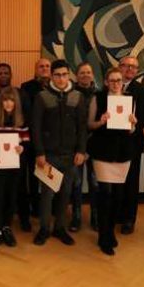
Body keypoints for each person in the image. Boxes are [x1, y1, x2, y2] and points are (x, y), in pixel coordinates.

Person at [31, 59, 88, 246]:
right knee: (47, 195)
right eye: (57, 75)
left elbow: (82, 127)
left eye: (64, 74)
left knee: (65, 194)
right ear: (51, 76)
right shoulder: (42, 97)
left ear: (68, 75)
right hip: (48, 156)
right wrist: (39, 152)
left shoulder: (77, 97)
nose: (61, 78)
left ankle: (60, 228)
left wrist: (81, 150)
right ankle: (44, 229)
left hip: (71, 156)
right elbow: (36, 127)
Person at [86, 67, 137, 256]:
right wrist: (101, 121)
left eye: (119, 80)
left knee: (118, 196)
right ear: (106, 82)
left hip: (123, 151)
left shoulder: (129, 99)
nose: (116, 83)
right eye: (112, 80)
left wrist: (133, 124)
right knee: (105, 194)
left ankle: (110, 231)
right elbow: (89, 125)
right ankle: (103, 235)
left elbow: (131, 130)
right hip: (102, 151)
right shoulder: (97, 98)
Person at [0, 87, 30, 250]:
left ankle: (6, 227)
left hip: (15, 167)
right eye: (5, 100)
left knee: (11, 197)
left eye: (11, 100)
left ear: (16, 102)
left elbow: (26, 143)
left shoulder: (22, 121)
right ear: (1, 103)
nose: (8, 103)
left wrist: (22, 149)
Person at [118, 55, 144, 234]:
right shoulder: (109, 87)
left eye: (134, 67)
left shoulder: (143, 90)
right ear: (119, 67)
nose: (130, 69)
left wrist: (133, 127)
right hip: (112, 143)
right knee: (115, 181)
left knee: (131, 182)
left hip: (133, 142)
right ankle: (116, 215)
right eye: (126, 66)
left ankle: (129, 219)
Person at [20, 58, 52, 220]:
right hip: (33, 139)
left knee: (50, 175)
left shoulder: (56, 86)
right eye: (41, 66)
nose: (44, 69)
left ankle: (49, 206)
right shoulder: (26, 87)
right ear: (35, 69)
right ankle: (34, 206)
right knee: (33, 176)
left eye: (47, 66)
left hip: (53, 140)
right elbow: (26, 113)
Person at [71, 61, 99, 232]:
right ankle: (76, 216)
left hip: (96, 146)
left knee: (95, 183)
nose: (85, 75)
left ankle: (95, 215)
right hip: (75, 146)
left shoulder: (100, 94)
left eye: (88, 72)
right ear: (76, 75)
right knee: (76, 182)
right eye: (82, 72)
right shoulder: (71, 94)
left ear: (92, 74)